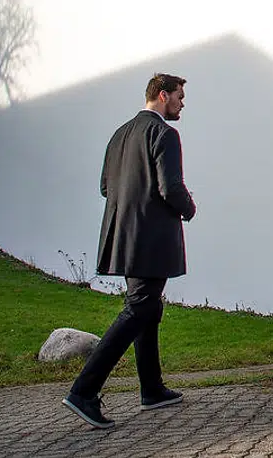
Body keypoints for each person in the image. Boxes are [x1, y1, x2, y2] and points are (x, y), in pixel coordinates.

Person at [62, 73, 197, 430]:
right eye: (180, 97)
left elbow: (106, 187)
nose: (183, 104)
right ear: (163, 95)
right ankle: (83, 391)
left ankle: (151, 389)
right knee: (139, 309)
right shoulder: (165, 134)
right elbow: (171, 189)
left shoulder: (119, 135)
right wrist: (189, 207)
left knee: (148, 308)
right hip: (151, 239)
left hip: (123, 236)